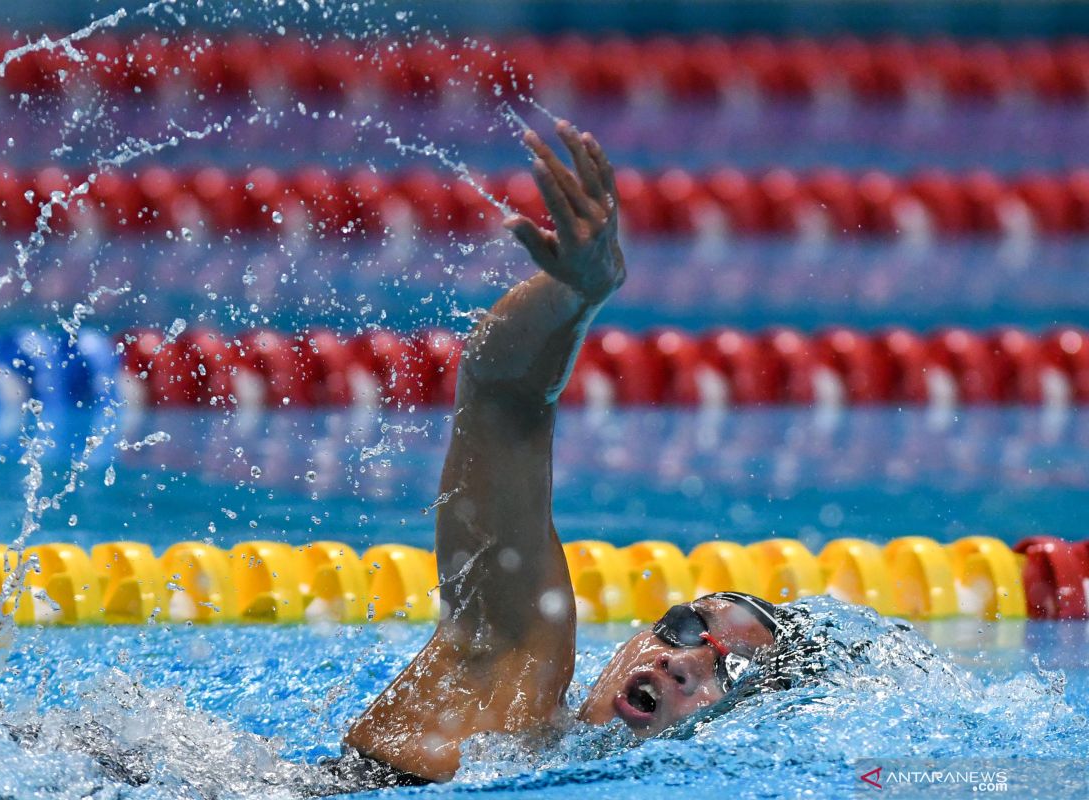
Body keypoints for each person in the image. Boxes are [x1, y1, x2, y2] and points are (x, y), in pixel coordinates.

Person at [322, 121, 797, 792]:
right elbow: (502, 399)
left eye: (731, 672)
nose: (684, 663)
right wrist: (576, 296)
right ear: (638, 638)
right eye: (688, 627)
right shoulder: (515, 677)